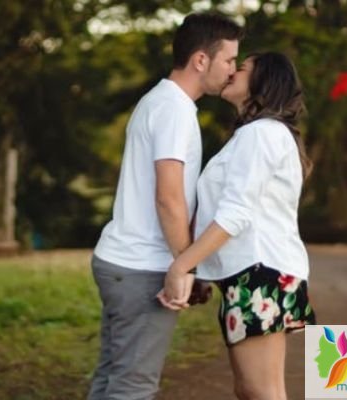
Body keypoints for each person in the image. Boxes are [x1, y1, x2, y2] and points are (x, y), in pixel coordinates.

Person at [87, 12, 244, 400]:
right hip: (142, 267)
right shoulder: (174, 109)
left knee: (112, 379)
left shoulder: (161, 102)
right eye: (229, 60)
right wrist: (186, 265)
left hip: (125, 261)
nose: (233, 70)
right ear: (201, 60)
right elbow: (169, 197)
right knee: (132, 387)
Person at [158, 52, 317, 400]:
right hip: (256, 273)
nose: (231, 71)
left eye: (241, 67)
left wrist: (182, 266)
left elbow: (235, 214)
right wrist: (203, 271)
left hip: (261, 273)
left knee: (259, 391)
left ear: (264, 81)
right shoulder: (257, 134)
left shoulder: (261, 134)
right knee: (254, 390)